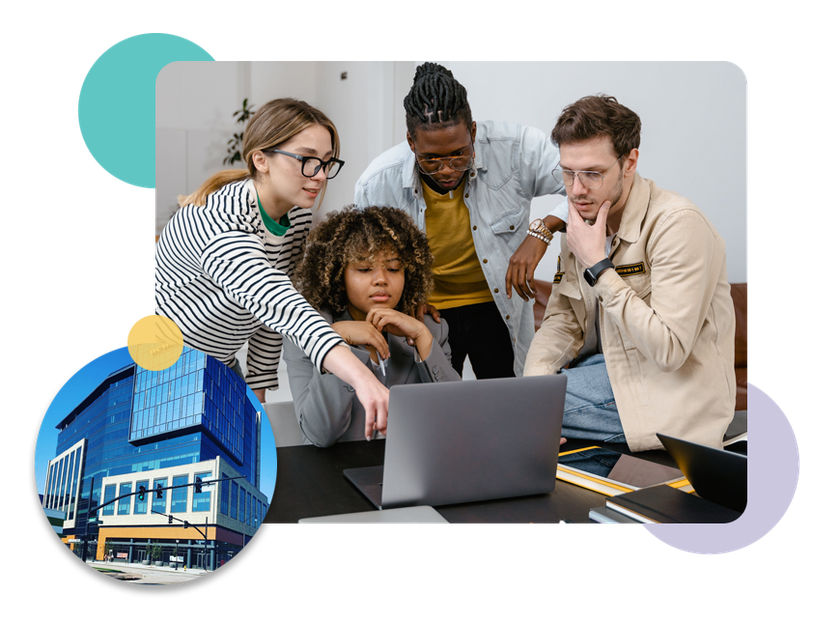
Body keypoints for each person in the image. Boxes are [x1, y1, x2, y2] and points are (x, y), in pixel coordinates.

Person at [154, 98, 389, 428]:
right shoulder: (220, 221)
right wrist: (363, 379)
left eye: (326, 162)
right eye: (307, 160)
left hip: (218, 362)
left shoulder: (296, 218)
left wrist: (258, 390)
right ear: (261, 160)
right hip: (161, 366)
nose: (320, 175)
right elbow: (280, 302)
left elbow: (268, 318)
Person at [524, 95, 736, 452]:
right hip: (605, 373)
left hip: (670, 393)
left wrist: (598, 265)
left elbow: (668, 351)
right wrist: (533, 390)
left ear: (629, 162)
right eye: (568, 172)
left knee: (505, 416)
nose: (576, 190)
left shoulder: (678, 224)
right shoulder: (582, 220)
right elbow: (563, 321)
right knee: (517, 406)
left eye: (593, 173)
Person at [354, 62, 568, 379]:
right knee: (437, 410)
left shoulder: (516, 148)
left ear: (473, 132)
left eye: (459, 153)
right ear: (411, 143)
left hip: (499, 306)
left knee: (507, 405)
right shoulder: (377, 183)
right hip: (429, 313)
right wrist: (405, 299)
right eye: (431, 159)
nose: (447, 169)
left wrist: (543, 230)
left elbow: (588, 184)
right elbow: (366, 261)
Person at [284, 206, 461, 446]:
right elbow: (320, 435)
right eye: (365, 269)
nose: (381, 279)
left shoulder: (430, 327)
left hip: (412, 472)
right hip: (336, 475)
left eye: (393, 268)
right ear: (338, 274)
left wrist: (422, 337)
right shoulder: (308, 330)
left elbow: (456, 419)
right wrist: (339, 340)